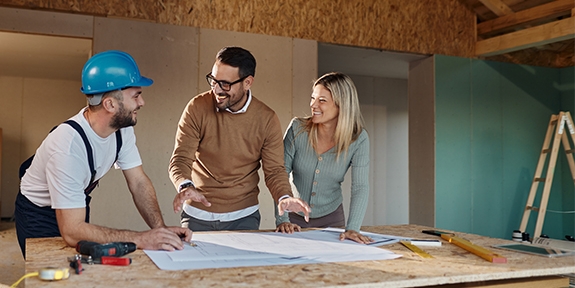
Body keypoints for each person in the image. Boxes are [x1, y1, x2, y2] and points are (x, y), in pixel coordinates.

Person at [15, 50, 191, 258]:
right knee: (56, 277)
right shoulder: (68, 146)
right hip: (39, 215)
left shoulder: (122, 130)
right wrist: (142, 239)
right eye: (136, 95)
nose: (142, 102)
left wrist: (160, 231)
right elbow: (72, 231)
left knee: (81, 271)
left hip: (75, 207)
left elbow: (138, 182)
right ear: (109, 104)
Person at [169, 46, 310, 231]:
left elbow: (275, 170)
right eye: (213, 80)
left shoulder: (266, 119)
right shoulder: (197, 107)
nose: (217, 90)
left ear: (247, 82)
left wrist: (284, 196)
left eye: (225, 84)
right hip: (197, 213)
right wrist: (185, 185)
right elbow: (180, 159)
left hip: (244, 216)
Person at [275, 72, 373, 244]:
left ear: (341, 105)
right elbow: (279, 172)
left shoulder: (358, 139)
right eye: (313, 98)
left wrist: (353, 228)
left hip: (332, 220)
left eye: (322, 100)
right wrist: (283, 220)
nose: (313, 104)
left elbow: (360, 187)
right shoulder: (297, 129)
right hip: (293, 220)